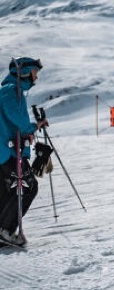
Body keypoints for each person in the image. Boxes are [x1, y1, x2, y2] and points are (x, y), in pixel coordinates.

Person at [0, 57, 47, 246]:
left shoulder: (10, 91)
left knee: (6, 190)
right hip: (7, 150)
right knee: (27, 187)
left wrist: (27, 131)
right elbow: (14, 115)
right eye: (34, 72)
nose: (36, 77)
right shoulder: (12, 91)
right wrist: (31, 127)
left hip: (7, 149)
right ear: (24, 72)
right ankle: (5, 230)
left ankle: (3, 232)